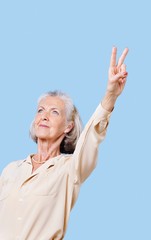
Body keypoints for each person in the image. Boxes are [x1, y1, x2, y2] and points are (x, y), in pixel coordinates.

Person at [0, 46, 129, 240]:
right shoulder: (11, 170)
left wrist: (110, 95)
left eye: (54, 112)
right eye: (40, 110)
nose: (44, 116)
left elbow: (92, 137)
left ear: (68, 126)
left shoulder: (70, 170)